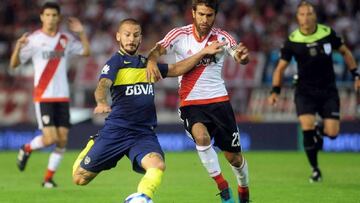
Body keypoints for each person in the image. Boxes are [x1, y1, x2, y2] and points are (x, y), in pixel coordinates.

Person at [72, 18, 225, 202]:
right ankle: (93, 143)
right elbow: (102, 85)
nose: (131, 39)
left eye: (135, 35)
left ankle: (142, 198)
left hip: (142, 133)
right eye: (127, 35)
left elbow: (176, 69)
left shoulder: (147, 64)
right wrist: (102, 102)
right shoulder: (115, 62)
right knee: (79, 179)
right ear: (118, 36)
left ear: (140, 38)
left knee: (157, 165)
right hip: (117, 131)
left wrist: (204, 52)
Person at [146, 1, 250, 202]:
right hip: (191, 104)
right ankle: (222, 185)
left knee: (234, 159)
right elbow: (158, 49)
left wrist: (243, 57)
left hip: (220, 103)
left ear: (215, 15)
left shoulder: (222, 38)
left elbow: (238, 54)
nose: (204, 19)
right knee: (201, 138)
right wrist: (151, 60)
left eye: (209, 15)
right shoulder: (179, 35)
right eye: (201, 14)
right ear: (193, 13)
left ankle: (243, 187)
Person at [268, 1, 360, 183]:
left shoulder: (327, 33)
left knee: (332, 133)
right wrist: (275, 91)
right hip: (304, 91)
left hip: (328, 90)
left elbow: (346, 52)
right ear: (297, 17)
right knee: (306, 128)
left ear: (315, 16)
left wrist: (356, 75)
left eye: (309, 14)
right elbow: (279, 69)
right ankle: (315, 169)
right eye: (302, 14)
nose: (306, 17)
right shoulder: (292, 40)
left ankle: (319, 130)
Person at [9, 2, 90, 188]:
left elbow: (86, 52)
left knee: (62, 141)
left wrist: (81, 32)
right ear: (42, 17)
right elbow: (14, 64)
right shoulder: (34, 40)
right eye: (48, 15)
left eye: (54, 15)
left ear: (58, 18)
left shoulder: (65, 39)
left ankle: (47, 180)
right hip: (44, 95)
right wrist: (18, 47)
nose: (51, 18)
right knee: (50, 138)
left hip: (62, 96)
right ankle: (26, 148)